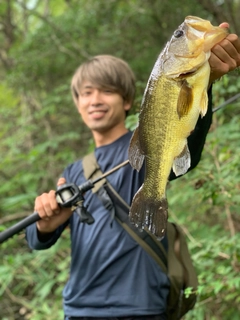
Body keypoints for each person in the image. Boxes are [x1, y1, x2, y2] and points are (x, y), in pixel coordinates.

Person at [26, 23, 240, 320]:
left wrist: (204, 82)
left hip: (142, 306)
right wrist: (45, 224)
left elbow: (185, 150)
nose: (95, 99)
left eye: (107, 91)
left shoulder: (145, 143)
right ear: (78, 104)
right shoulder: (74, 170)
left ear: (127, 101)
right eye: (86, 93)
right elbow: (37, 242)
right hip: (79, 309)